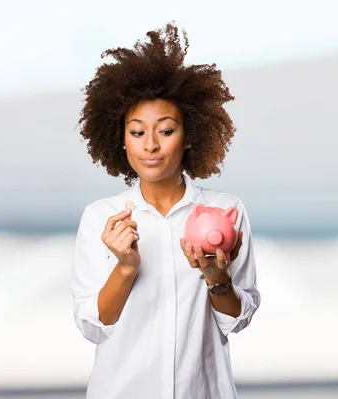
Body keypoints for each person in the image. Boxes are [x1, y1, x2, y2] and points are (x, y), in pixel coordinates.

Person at [70, 22, 260, 399]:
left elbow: (236, 320)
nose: (151, 145)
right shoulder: (100, 218)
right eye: (137, 132)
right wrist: (125, 267)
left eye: (166, 130)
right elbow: (95, 326)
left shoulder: (226, 212)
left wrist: (216, 278)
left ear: (189, 136)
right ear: (120, 140)